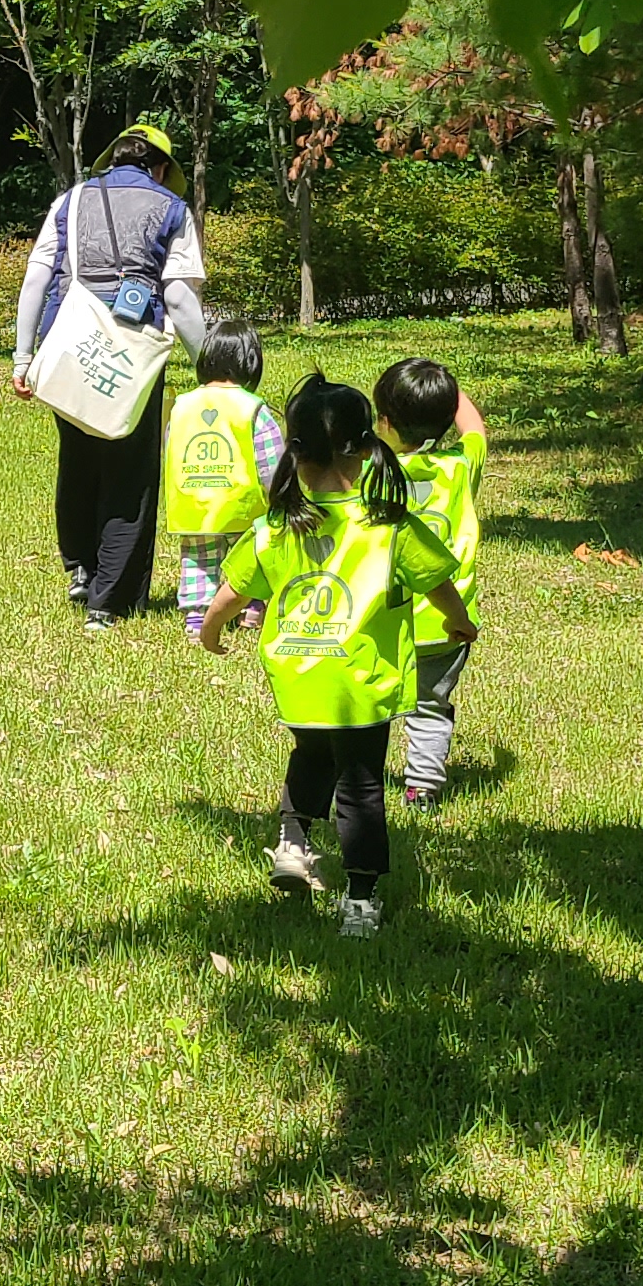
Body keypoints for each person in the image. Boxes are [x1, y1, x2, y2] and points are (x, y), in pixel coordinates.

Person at [193, 371, 477, 938]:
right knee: (362, 785)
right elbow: (438, 582)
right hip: (361, 686)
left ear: (294, 453)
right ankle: (361, 900)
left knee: (310, 755)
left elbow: (232, 592)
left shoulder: (274, 527)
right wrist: (458, 620)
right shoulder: (388, 525)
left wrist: (209, 631)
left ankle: (292, 846)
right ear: (367, 447)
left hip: (298, 678)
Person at [10, 125, 211, 624]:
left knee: (78, 456)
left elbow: (36, 276)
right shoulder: (172, 208)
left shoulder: (71, 199)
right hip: (131, 353)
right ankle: (109, 601)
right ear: (161, 169)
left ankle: (80, 567)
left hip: (68, 344)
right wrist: (210, 365)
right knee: (130, 473)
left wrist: (22, 357)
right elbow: (181, 298)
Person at [375, 354, 491, 809]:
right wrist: (448, 392)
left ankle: (359, 773)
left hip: (383, 615)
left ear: (383, 421)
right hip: (448, 620)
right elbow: (475, 428)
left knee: (375, 701)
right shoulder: (461, 468)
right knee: (430, 706)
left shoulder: (373, 473)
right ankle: (422, 786)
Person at [156, 314, 284, 637]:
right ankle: (252, 606)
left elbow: (171, 449)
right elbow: (272, 461)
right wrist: (280, 497)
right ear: (251, 363)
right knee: (252, 557)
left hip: (195, 503)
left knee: (198, 559)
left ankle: (197, 617)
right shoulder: (252, 408)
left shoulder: (181, 406)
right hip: (244, 506)